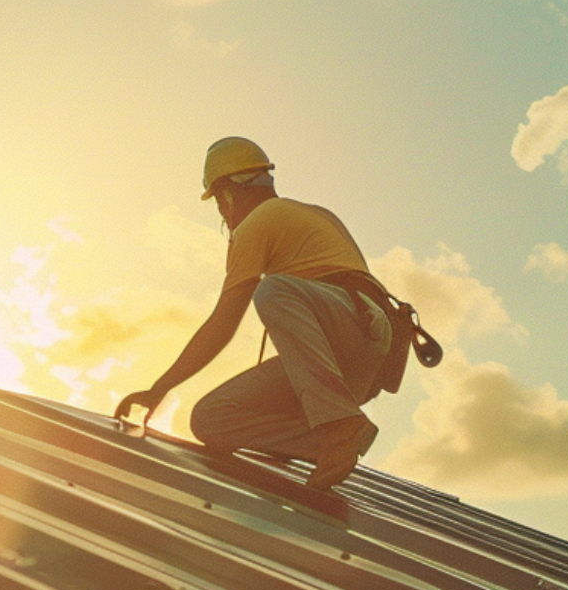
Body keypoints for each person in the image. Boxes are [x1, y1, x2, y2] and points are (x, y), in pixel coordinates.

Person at [115, 137, 403, 490]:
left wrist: (157, 389)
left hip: (351, 327)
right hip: (358, 356)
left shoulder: (259, 222)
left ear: (227, 194)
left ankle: (338, 424)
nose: (222, 212)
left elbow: (223, 325)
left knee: (274, 290)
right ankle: (333, 440)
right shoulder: (311, 213)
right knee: (211, 418)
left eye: (220, 202)